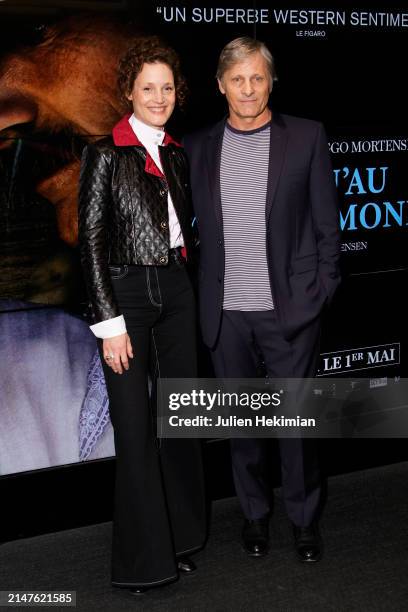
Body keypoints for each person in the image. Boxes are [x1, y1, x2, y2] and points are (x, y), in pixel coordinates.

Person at [184, 37, 341, 562]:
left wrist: (317, 294)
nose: (248, 89)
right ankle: (253, 515)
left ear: (271, 81)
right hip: (226, 313)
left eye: (257, 78)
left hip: (290, 310)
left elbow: (326, 227)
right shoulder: (198, 147)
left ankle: (303, 520)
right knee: (243, 425)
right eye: (237, 79)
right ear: (220, 85)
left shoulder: (306, 137)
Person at [78, 36, 206, 594]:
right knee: (134, 431)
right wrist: (108, 324)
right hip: (125, 297)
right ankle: (142, 563)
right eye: (148, 88)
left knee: (178, 419)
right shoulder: (105, 154)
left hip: (177, 291)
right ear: (128, 92)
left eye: (168, 88)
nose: (159, 97)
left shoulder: (176, 152)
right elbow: (90, 241)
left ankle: (181, 538)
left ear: (179, 93)